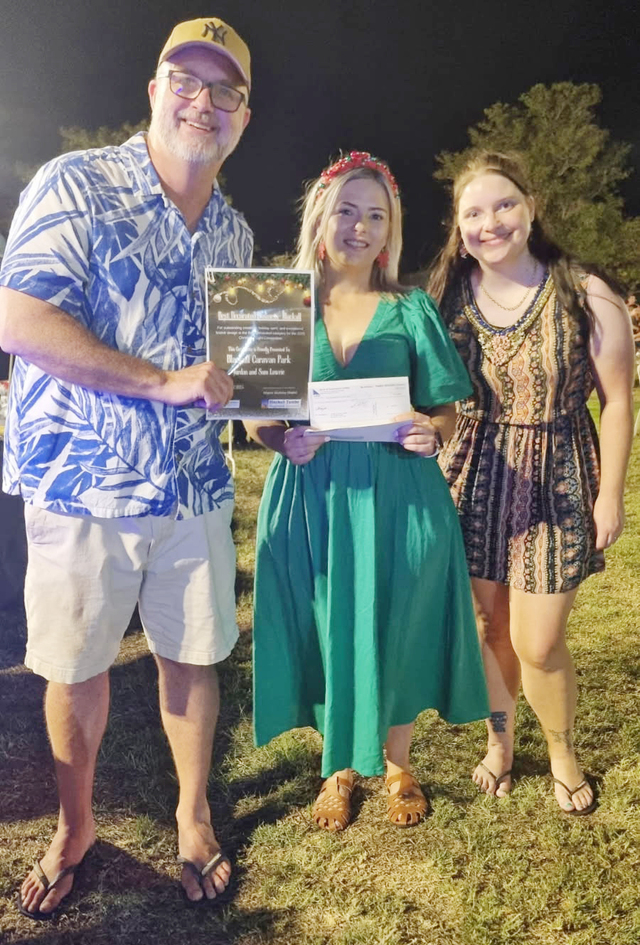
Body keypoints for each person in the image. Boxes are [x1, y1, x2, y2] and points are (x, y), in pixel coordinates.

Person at [0, 17, 253, 916]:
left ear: (243, 116)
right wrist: (158, 381)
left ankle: (192, 813)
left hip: (193, 486)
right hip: (84, 480)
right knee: (74, 666)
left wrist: (278, 423)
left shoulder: (234, 234)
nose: (203, 101)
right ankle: (75, 826)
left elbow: (237, 377)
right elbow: (20, 318)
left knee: (193, 656)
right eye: (185, 80)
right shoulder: (76, 183)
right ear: (154, 92)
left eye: (225, 90)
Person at [245, 152, 489, 832]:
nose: (360, 226)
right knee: (329, 618)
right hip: (314, 493)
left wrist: (432, 431)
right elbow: (259, 415)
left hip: (399, 492)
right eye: (347, 210)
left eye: (376, 215)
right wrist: (280, 440)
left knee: (398, 615)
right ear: (320, 217)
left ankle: (398, 763)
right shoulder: (278, 304)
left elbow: (445, 408)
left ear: (391, 230)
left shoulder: (410, 307)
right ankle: (339, 768)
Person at [428, 151, 635, 813]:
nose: (490, 223)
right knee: (490, 627)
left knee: (538, 641)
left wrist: (610, 494)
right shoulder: (448, 297)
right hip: (476, 472)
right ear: (459, 225)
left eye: (504, 205)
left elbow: (618, 401)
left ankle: (562, 752)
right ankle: (500, 741)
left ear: (531, 207)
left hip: (558, 478)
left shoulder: (585, 291)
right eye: (473, 213)